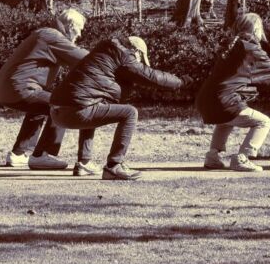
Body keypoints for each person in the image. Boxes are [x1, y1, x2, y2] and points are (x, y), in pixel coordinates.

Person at [49, 35, 186, 180]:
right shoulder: (124, 55)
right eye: (140, 59)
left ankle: (84, 162)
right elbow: (152, 76)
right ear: (136, 51)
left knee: (94, 104)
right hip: (76, 112)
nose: (138, 62)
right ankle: (114, 166)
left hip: (56, 112)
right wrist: (181, 82)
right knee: (130, 112)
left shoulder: (102, 54)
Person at [0, 8, 95, 175]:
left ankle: (19, 153)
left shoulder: (46, 34)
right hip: (19, 89)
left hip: (5, 89)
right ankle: (43, 154)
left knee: (41, 105)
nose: (80, 35)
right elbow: (87, 59)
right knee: (63, 104)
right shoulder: (53, 37)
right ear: (70, 26)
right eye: (80, 30)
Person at [196, 13, 270, 172]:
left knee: (225, 121)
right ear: (256, 28)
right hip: (224, 101)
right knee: (263, 122)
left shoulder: (229, 46)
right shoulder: (250, 48)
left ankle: (212, 156)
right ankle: (243, 158)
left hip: (205, 99)